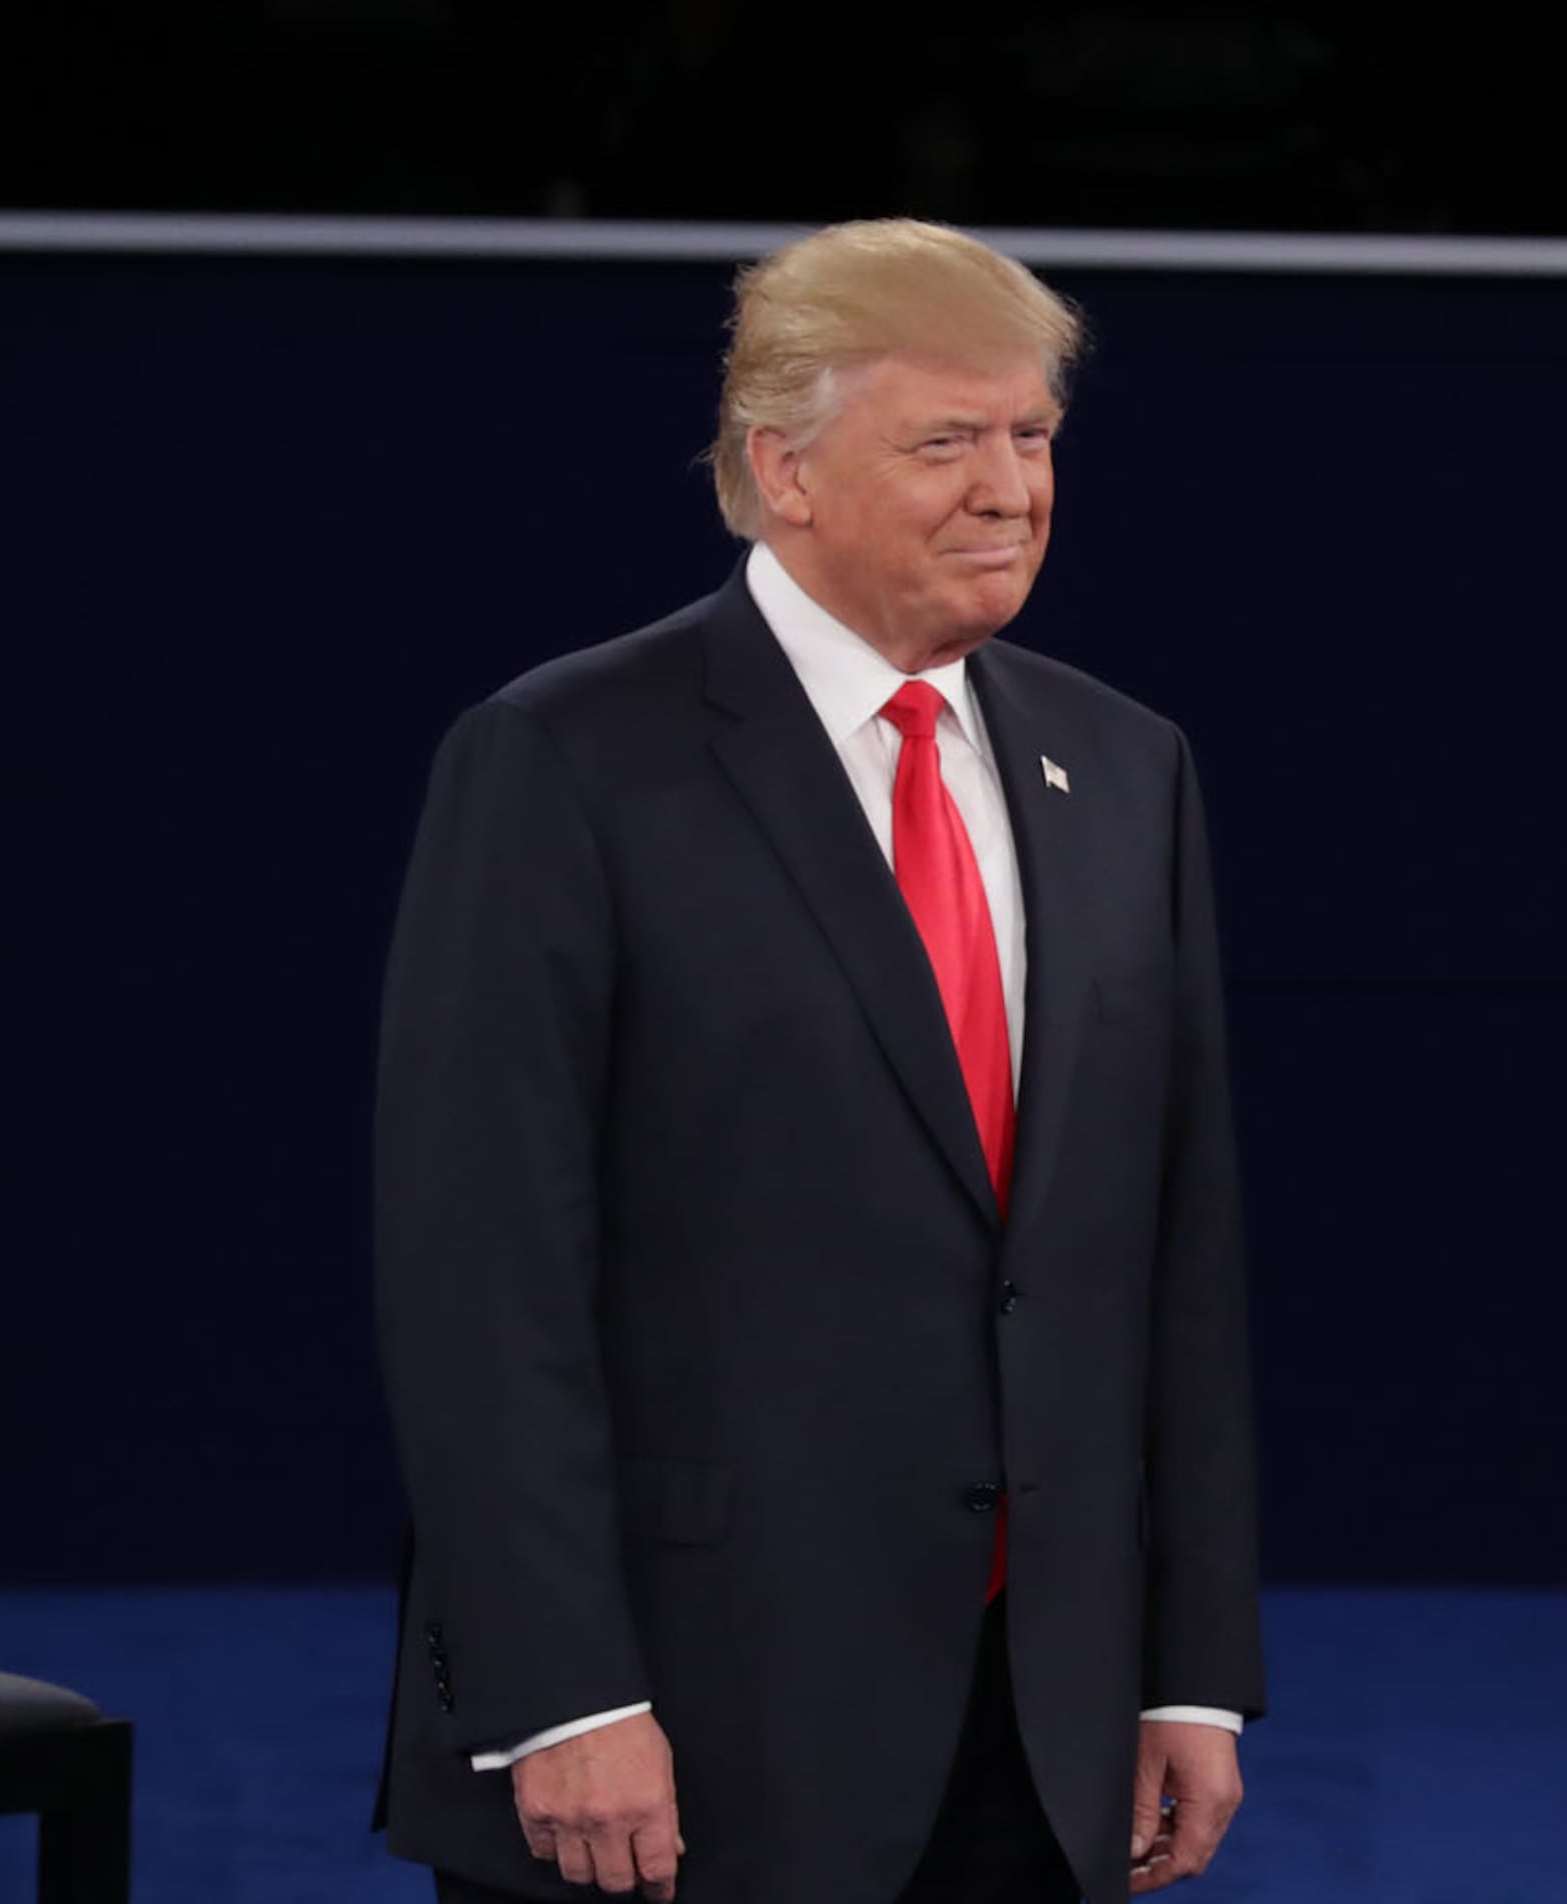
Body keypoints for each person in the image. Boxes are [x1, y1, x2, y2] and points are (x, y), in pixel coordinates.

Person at [372, 219, 1262, 1904]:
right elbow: (477, 1278)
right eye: (948, 441)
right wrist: (563, 1688)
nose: (1012, 487)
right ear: (783, 469)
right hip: (684, 1723)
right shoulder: (562, 760)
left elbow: (1177, 1259)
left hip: (1040, 1719)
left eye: (1035, 436)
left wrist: (1186, 1667)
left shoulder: (1128, 768)